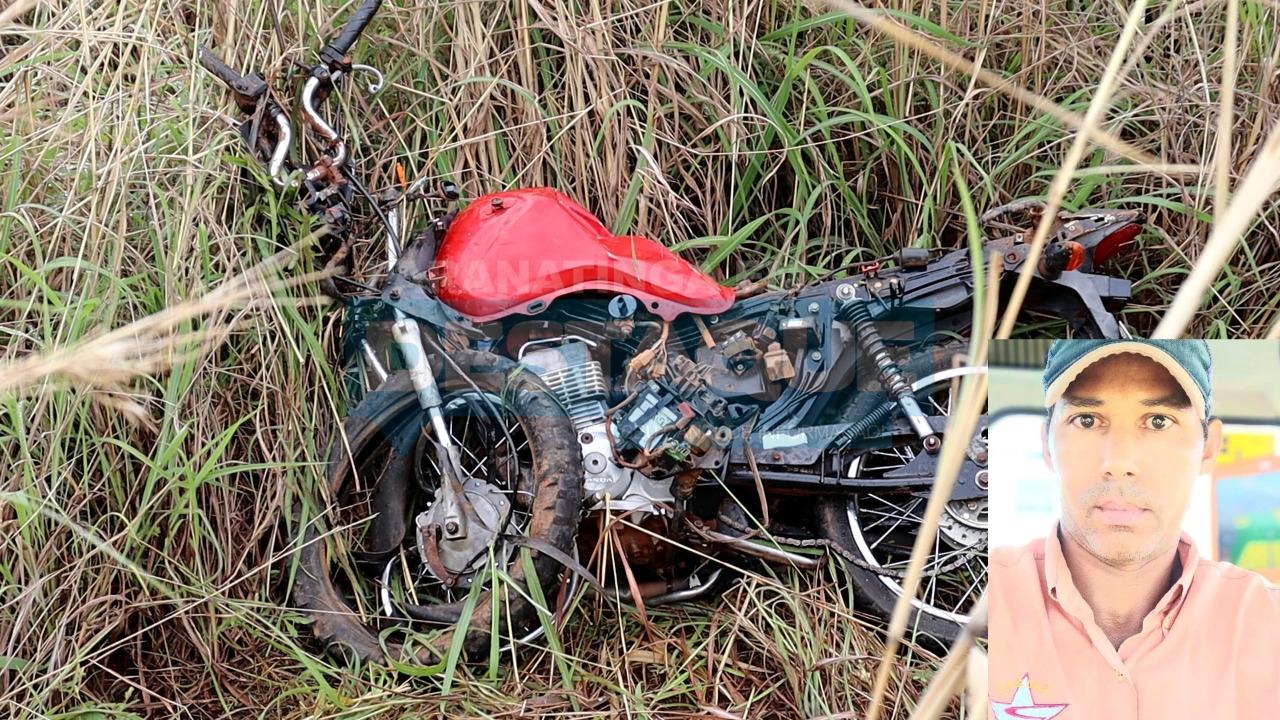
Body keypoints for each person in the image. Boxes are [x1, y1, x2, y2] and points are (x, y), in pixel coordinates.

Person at [987, 339, 1280, 720]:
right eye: (1087, 420)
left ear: (1209, 449)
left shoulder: (1268, 624)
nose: (1119, 461)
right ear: (1047, 444)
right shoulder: (981, 603)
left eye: (1159, 421)